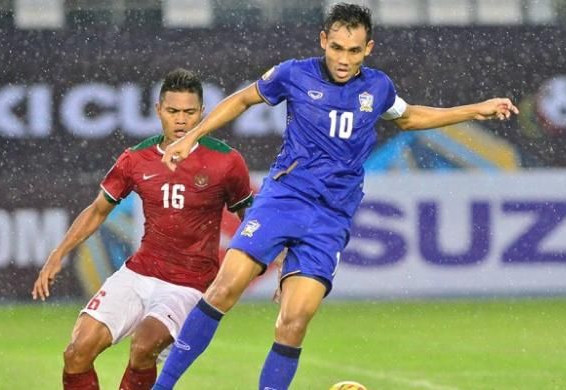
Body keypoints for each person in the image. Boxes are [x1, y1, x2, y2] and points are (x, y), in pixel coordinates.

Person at [153, 4, 518, 389]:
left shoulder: (378, 87)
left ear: (368, 49)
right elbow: (243, 100)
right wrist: (192, 137)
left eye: (354, 51)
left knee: (295, 321)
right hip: (285, 198)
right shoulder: (293, 73)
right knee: (225, 288)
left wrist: (475, 110)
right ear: (324, 40)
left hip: (330, 217)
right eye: (338, 48)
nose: (344, 59)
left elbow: (409, 117)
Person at [31, 68, 254, 390]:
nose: (181, 120)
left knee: (143, 347)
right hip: (138, 272)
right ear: (158, 110)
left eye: (190, 112)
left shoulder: (226, 162)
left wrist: (276, 264)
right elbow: (97, 211)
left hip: (189, 283)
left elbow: (252, 221)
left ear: (203, 113)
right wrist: (58, 254)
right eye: (173, 111)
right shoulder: (136, 159)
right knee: (76, 352)